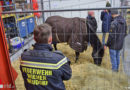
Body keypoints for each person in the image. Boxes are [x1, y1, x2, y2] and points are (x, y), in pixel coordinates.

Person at [20, 24, 72, 90]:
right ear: (50, 39)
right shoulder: (59, 59)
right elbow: (67, 76)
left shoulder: (24, 57)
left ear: (34, 39)